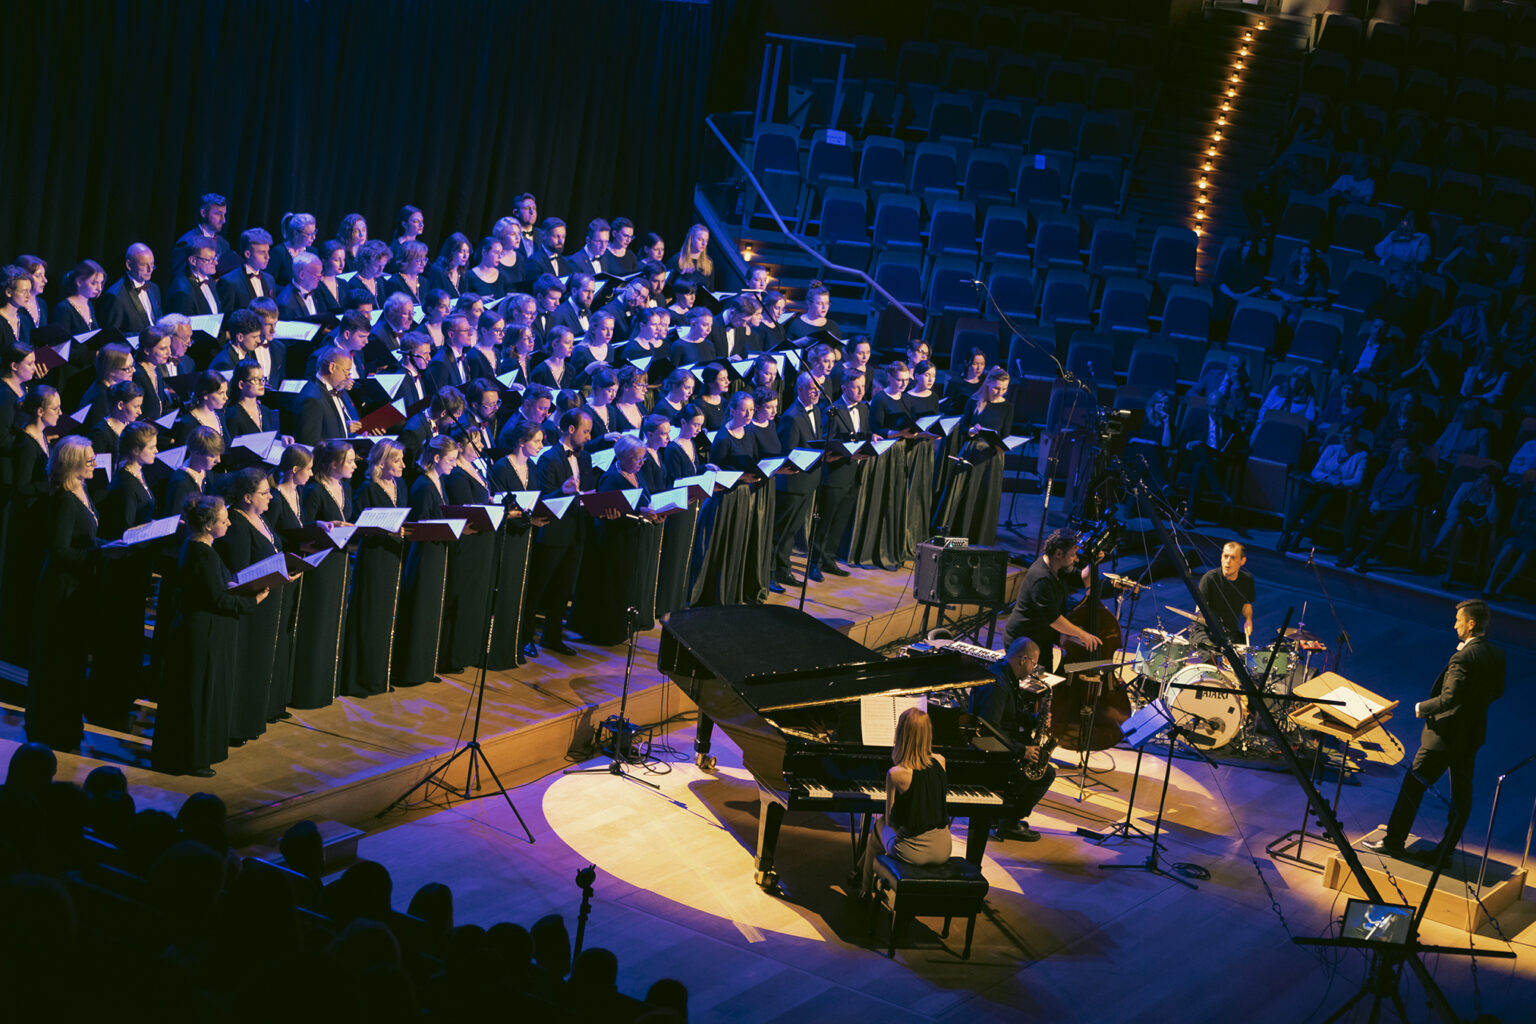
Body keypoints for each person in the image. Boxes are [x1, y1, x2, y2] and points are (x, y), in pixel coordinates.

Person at [1362, 600, 1505, 861]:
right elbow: (1496, 692)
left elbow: (1449, 698)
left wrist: (1421, 707)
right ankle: (1445, 854)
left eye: (1459, 620)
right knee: (1462, 798)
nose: (1455, 625)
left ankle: (1394, 841)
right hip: (1470, 737)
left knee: (1412, 787)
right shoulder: (1496, 654)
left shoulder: (1462, 657)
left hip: (1443, 737)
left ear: (1471, 624)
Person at [152, 496, 266, 777]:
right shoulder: (201, 554)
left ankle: (194, 754)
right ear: (207, 525)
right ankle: (190, 757)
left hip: (201, 631)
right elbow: (215, 599)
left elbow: (212, 586)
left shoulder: (202, 549)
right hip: (201, 635)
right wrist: (254, 601)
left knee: (198, 693)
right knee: (196, 695)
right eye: (223, 519)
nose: (228, 522)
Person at [25, 437, 101, 751]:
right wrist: (98, 555)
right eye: (89, 459)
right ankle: (50, 728)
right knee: (57, 660)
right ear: (72, 463)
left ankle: (67, 723)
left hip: (77, 588)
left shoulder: (81, 490)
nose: (95, 464)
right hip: (61, 591)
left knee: (72, 661)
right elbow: (58, 549)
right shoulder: (64, 500)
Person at [215, 468, 288, 744]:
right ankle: (237, 725)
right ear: (247, 497)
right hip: (250, 606)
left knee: (260, 662)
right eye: (264, 492)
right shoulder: (236, 522)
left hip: (267, 600)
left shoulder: (260, 517)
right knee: (246, 662)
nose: (271, 496)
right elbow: (239, 571)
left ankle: (253, 719)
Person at [570, 436, 662, 645]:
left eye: (643, 458)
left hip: (633, 539)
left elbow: (645, 499)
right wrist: (641, 513)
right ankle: (607, 632)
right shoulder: (612, 478)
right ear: (623, 457)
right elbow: (609, 514)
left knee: (627, 585)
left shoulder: (637, 474)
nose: (641, 463)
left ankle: (622, 627)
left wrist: (656, 513)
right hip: (615, 542)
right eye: (638, 459)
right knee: (614, 586)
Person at [523, 409, 598, 658]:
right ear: (571, 429)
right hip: (553, 534)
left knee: (563, 589)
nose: (589, 436)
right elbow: (543, 499)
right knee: (537, 588)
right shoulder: (549, 459)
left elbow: (585, 493)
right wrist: (564, 492)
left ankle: (552, 637)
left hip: (577, 532)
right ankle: (524, 638)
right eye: (586, 431)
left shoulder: (585, 458)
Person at [857, 707, 951, 898]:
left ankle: (865, 888)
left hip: (912, 853)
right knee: (882, 828)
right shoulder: (941, 761)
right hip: (944, 848)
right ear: (928, 733)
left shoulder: (897, 773)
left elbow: (891, 821)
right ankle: (861, 871)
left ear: (901, 734)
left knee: (878, 827)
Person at [340, 440, 409, 696]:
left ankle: (379, 676)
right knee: (369, 615)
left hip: (393, 556)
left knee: (386, 617)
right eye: (397, 460)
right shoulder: (366, 489)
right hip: (373, 558)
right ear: (381, 462)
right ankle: (359, 679)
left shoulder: (399, 485)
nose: (403, 465)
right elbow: (359, 528)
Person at [290, 439, 355, 710]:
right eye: (349, 460)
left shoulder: (344, 486)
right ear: (333, 464)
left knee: (334, 622)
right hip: (321, 565)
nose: (354, 465)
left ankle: (329, 685)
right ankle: (309, 690)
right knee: (317, 623)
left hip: (341, 562)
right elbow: (304, 526)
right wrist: (322, 525)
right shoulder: (315, 490)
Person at [973, 638, 1056, 842]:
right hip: (991, 754)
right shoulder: (998, 685)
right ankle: (1007, 822)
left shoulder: (1006, 674)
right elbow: (988, 731)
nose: (1033, 669)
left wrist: (1036, 720)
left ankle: (1002, 816)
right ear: (1023, 659)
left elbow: (1013, 714)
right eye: (1033, 664)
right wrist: (1022, 750)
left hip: (1004, 744)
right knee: (1045, 773)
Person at [931, 367, 1014, 546]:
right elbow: (962, 428)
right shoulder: (974, 401)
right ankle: (956, 535)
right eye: (996, 388)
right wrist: (970, 430)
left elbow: (1006, 434)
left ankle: (979, 538)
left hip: (992, 457)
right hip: (972, 451)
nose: (1000, 392)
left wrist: (1002, 445)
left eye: (1004, 389)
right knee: (962, 494)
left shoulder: (1007, 407)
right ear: (989, 383)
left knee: (984, 497)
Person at [1001, 529, 1101, 671]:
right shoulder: (1041, 578)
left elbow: (1083, 580)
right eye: (1072, 555)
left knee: (1045, 683)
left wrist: (1094, 562)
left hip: (1041, 639)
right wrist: (1081, 634)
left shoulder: (1059, 567)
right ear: (1059, 554)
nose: (1076, 559)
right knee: (1032, 689)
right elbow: (1054, 620)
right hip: (1023, 642)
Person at [1276, 425, 1367, 554]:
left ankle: (1298, 536)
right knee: (1305, 494)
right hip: (1321, 484)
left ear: (1355, 436)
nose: (1343, 436)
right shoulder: (1331, 449)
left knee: (1325, 501)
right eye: (1342, 433)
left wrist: (1340, 482)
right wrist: (1328, 478)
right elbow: (1315, 471)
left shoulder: (1361, 456)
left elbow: (1358, 481)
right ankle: (1286, 534)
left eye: (1348, 433)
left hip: (1338, 491)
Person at [771, 373, 824, 588]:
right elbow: (788, 451)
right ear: (800, 390)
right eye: (811, 388)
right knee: (780, 531)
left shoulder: (818, 411)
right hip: (792, 483)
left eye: (818, 387)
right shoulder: (791, 416)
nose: (816, 391)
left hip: (808, 480)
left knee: (791, 531)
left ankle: (783, 570)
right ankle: (771, 573)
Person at [1339, 444, 1422, 572]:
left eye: (1408, 455)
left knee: (1392, 521)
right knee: (1358, 509)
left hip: (1393, 510)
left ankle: (1364, 555)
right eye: (1402, 453)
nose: (1403, 457)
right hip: (1377, 504)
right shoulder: (1389, 469)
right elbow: (1376, 487)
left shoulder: (1415, 478)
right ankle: (1349, 550)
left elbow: (1407, 502)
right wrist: (1375, 501)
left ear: (1414, 459)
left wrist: (1383, 507)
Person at [1195, 541, 1255, 650]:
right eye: (1225, 556)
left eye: (1233, 558)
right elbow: (1199, 608)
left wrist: (1248, 620)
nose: (1228, 561)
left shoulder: (1247, 580)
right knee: (1210, 658)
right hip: (1206, 631)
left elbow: (1246, 604)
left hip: (1230, 632)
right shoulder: (1209, 578)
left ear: (1242, 561)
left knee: (1244, 659)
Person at [101, 244, 162, 333]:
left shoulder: (154, 288)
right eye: (144, 265)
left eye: (152, 264)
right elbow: (112, 336)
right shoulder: (115, 295)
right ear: (129, 265)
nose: (150, 270)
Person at [216, 228, 277, 311]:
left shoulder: (270, 279)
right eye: (262, 252)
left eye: (267, 251)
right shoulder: (229, 282)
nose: (267, 257)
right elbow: (226, 318)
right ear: (247, 254)